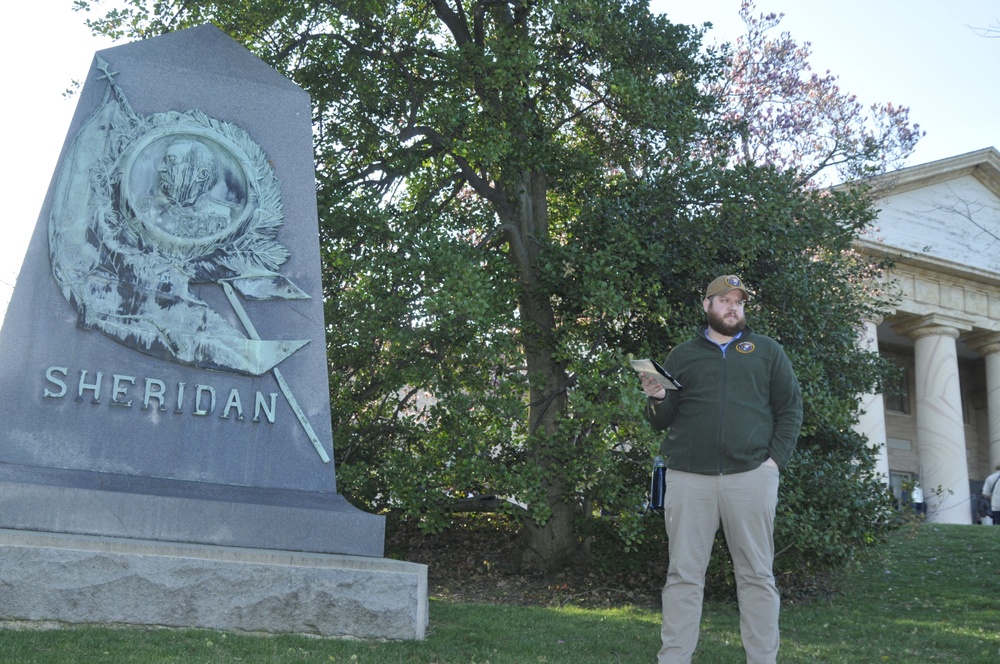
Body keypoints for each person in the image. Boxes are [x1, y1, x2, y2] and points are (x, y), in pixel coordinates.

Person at [638, 274, 803, 664]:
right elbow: (661, 420)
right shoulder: (682, 355)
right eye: (725, 301)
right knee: (682, 575)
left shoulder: (767, 351)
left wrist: (773, 463)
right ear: (707, 306)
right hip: (688, 478)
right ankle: (674, 658)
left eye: (739, 302)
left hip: (751, 477)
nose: (733, 307)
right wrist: (657, 398)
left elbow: (790, 409)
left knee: (758, 576)